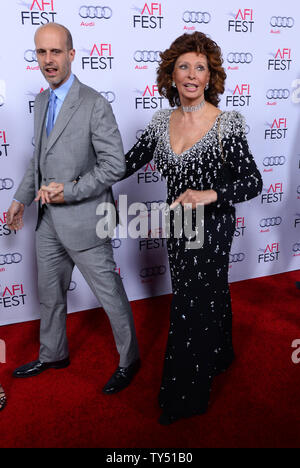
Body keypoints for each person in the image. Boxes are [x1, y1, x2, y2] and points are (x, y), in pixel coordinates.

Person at [124, 32, 263, 424]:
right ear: (171, 74)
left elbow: (252, 181)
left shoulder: (225, 125)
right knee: (208, 294)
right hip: (177, 227)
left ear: (209, 77)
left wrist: (209, 193)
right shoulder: (160, 122)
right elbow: (125, 163)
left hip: (214, 229)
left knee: (190, 306)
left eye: (199, 68)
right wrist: (82, 180)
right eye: (183, 66)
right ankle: (221, 354)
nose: (191, 74)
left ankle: (184, 397)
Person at [6, 23, 140, 393]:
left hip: (85, 219)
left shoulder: (95, 102)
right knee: (49, 295)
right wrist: (19, 199)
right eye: (41, 52)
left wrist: (71, 190)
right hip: (47, 220)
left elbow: (115, 165)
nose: (48, 60)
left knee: (109, 295)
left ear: (71, 54)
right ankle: (53, 354)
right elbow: (40, 158)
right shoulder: (42, 100)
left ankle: (130, 360)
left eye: (55, 52)